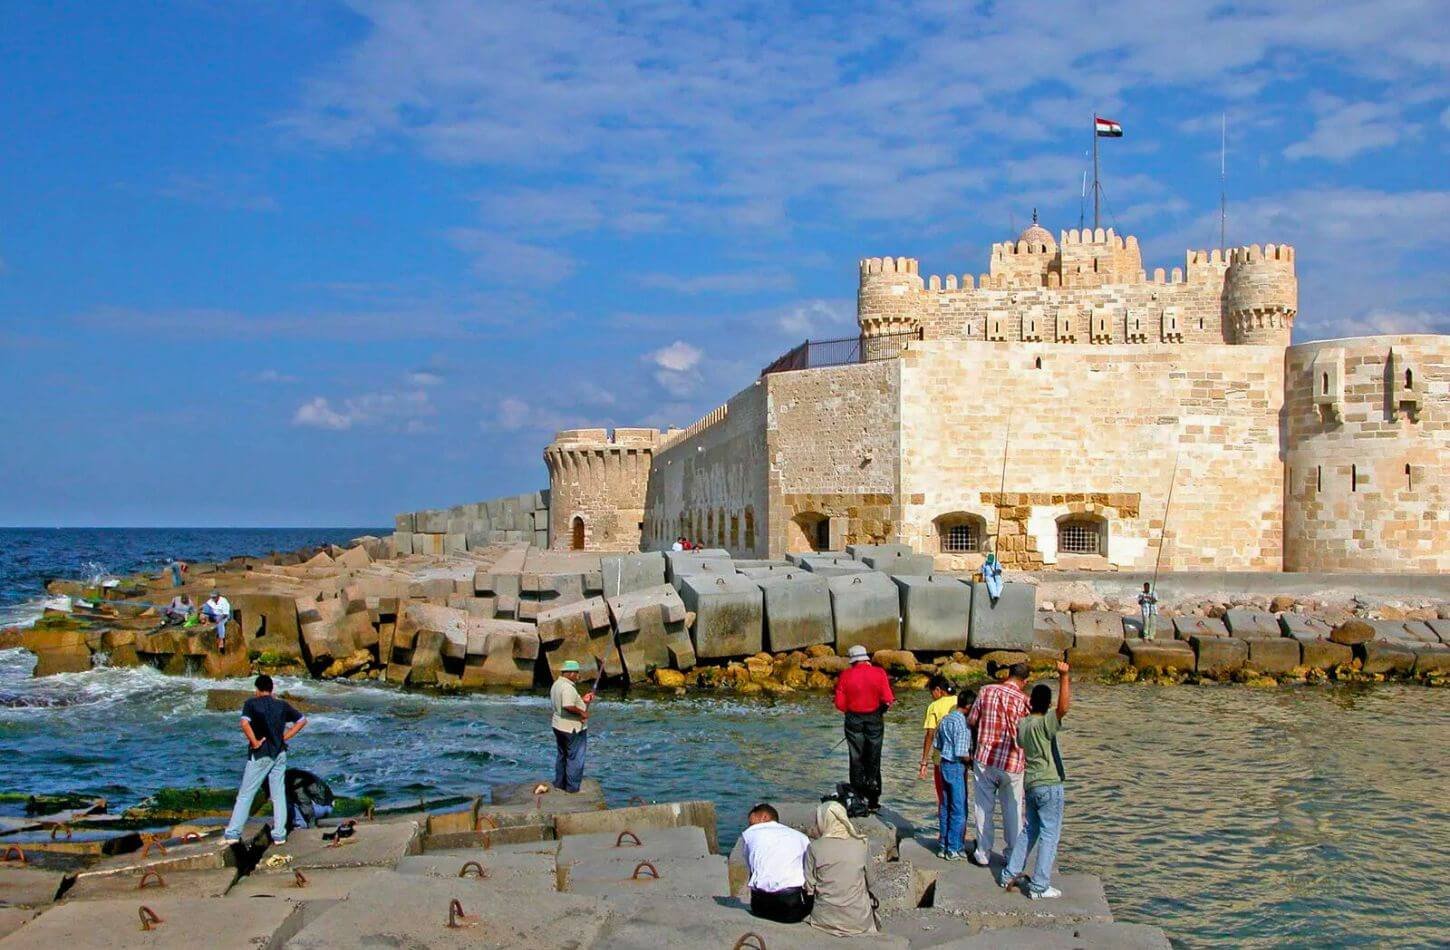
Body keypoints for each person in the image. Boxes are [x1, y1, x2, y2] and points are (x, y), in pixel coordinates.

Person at [1000, 661, 1072, 899]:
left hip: (1030, 784)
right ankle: (1040, 885)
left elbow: (1020, 743)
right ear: (1048, 704)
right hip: (1049, 783)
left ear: (1030, 702)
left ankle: (1009, 873)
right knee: (1050, 834)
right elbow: (1063, 708)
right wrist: (1064, 676)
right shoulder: (1045, 722)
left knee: (1029, 830)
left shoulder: (1023, 724)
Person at [223, 674, 307, 845]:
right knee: (278, 794)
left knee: (246, 794)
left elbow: (244, 723)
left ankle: (233, 833)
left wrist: (254, 742)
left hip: (261, 753)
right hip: (280, 752)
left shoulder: (251, 704)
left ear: (257, 689)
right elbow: (302, 720)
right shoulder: (281, 705)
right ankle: (279, 835)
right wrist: (285, 737)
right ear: (271, 689)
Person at [967, 660, 1031, 866]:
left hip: (985, 758)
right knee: (1013, 811)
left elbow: (972, 720)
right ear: (1025, 681)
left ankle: (983, 853)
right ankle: (1013, 856)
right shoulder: (1025, 701)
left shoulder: (985, 691)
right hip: (1013, 762)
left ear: (1007, 675)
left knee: (983, 807)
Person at [833, 644, 895, 811]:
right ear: (866, 658)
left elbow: (839, 704)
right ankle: (873, 798)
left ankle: (858, 796)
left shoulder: (846, 675)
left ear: (853, 661)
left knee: (856, 757)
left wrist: (851, 711)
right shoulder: (879, 673)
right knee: (874, 755)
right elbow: (888, 699)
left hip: (853, 718)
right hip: (875, 717)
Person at [805, 800, 880, 936]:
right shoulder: (861, 843)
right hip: (858, 921)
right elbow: (872, 881)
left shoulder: (814, 847)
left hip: (824, 919)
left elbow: (809, 886)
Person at [741, 803, 812, 923]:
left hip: (759, 908)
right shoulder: (801, 837)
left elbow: (752, 867)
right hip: (792, 911)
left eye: (751, 823)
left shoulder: (750, 834)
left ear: (764, 816)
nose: (750, 826)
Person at [932, 690, 975, 860]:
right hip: (956, 766)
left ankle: (943, 845)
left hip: (943, 764)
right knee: (959, 809)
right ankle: (954, 848)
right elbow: (962, 752)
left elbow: (937, 744)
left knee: (945, 806)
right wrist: (973, 762)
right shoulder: (963, 724)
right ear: (969, 706)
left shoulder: (945, 719)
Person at [917, 675, 958, 852]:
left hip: (940, 757)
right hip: (960, 757)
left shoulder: (934, 706)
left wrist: (924, 761)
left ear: (938, 690)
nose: (932, 696)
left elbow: (930, 734)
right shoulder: (959, 701)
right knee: (958, 800)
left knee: (943, 799)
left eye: (931, 693)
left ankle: (943, 839)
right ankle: (958, 839)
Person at [550, 659, 593, 793]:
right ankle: (572, 788)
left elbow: (567, 701)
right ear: (570, 673)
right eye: (576, 673)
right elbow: (567, 705)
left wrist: (582, 700)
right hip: (572, 728)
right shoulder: (568, 687)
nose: (578, 676)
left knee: (562, 756)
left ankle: (559, 784)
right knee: (575, 759)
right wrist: (582, 712)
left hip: (558, 726)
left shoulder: (557, 684)